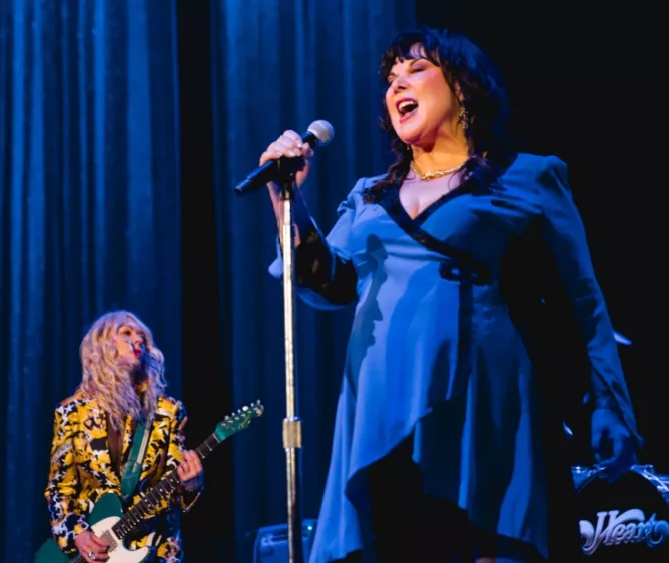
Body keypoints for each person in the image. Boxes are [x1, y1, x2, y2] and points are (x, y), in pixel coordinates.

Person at [261, 27, 642, 563]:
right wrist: (288, 201)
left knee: (485, 541)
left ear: (462, 87)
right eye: (390, 78)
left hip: (482, 396)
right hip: (381, 401)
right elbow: (328, 285)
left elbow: (584, 300)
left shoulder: (528, 177)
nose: (397, 86)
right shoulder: (370, 196)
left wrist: (610, 405)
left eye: (416, 70)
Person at [44, 310, 204, 563]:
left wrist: (191, 484)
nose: (138, 340)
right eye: (126, 334)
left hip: (154, 548)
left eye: (142, 336)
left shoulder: (166, 412)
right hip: (97, 550)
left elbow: (174, 491)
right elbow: (59, 490)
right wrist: (78, 535)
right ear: (102, 346)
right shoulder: (71, 414)